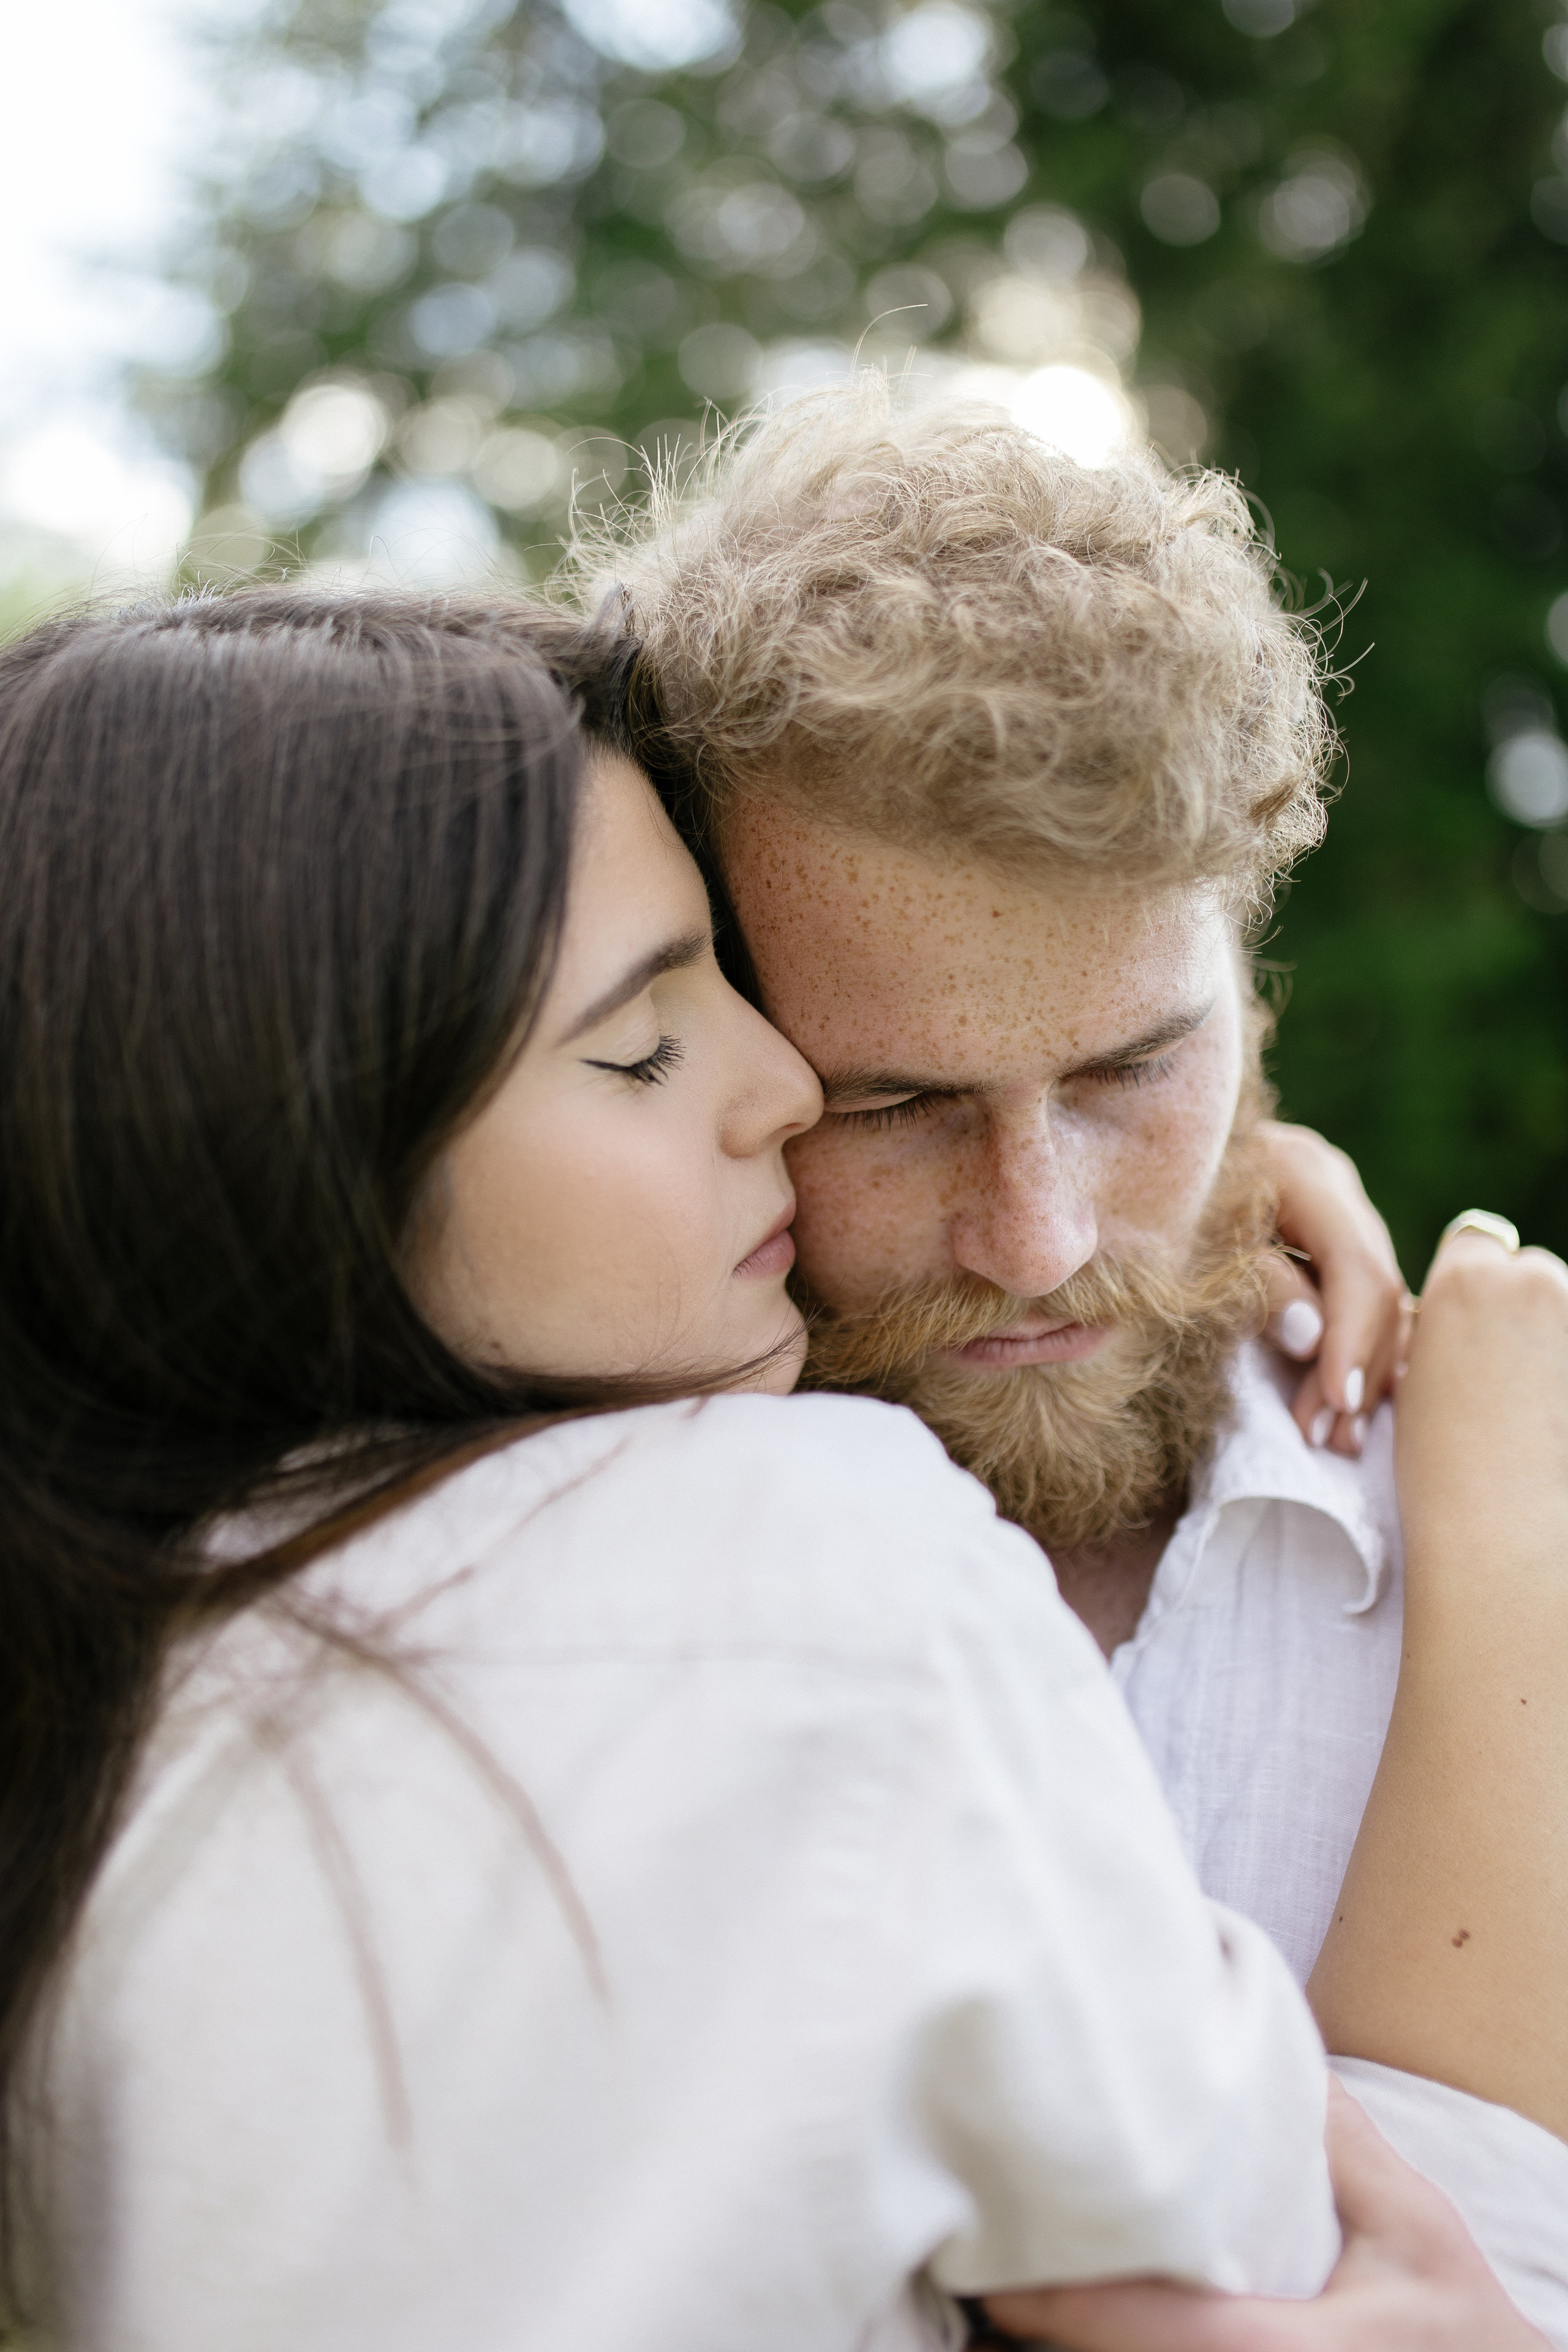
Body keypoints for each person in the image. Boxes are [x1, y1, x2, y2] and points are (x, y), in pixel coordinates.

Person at [0, 587, 1551, 2351]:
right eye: (655, 1040)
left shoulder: (103, 1654)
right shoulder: (813, 1555)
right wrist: (1513, 1565)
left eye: (1136, 1062)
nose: (782, 1094)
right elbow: (1389, 2279)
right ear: (291, 1173)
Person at [581, 377, 1568, 2329]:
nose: (1033, 1235)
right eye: (890, 1104)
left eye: (1133, 1069)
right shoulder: (540, 1567)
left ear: (1249, 969)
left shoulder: (1512, 1476)